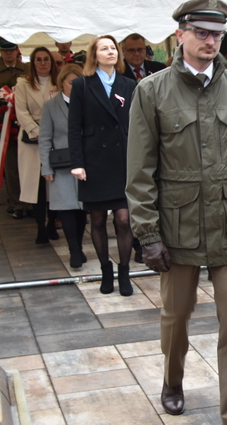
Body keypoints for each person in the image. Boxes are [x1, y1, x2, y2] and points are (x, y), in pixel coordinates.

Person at [127, 0, 227, 425]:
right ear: (181, 34)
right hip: (178, 224)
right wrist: (147, 234)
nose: (211, 42)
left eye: (218, 35)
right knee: (176, 317)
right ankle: (172, 380)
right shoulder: (152, 91)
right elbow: (140, 172)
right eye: (203, 33)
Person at [68, 35, 136, 296]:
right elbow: (74, 127)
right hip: (94, 160)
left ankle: (125, 272)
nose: (111, 52)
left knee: (122, 220)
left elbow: (136, 124)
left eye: (113, 48)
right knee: (97, 219)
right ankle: (106, 271)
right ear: (93, 55)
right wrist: (77, 162)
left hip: (121, 160)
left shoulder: (128, 84)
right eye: (104, 48)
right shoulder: (82, 85)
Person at [40, 64, 88, 268]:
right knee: (66, 209)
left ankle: (78, 246)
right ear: (61, 83)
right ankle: (74, 250)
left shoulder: (89, 102)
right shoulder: (51, 106)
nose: (75, 86)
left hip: (86, 163)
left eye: (78, 82)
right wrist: (46, 168)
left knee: (82, 210)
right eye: (71, 82)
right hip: (62, 166)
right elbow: (45, 138)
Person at [14, 47, 60, 245]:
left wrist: (50, 133)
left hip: (56, 138)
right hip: (32, 140)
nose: (43, 63)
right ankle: (40, 226)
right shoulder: (23, 84)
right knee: (37, 186)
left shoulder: (58, 83)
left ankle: (52, 224)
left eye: (46, 60)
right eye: (39, 60)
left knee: (55, 184)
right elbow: (21, 111)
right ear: (33, 62)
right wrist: (38, 132)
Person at [0, 37, 29, 217]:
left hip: (27, 124)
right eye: (4, 51)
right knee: (11, 167)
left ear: (17, 50)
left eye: (11, 50)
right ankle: (17, 203)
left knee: (29, 167)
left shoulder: (27, 69)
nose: (8, 54)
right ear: (0, 52)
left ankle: (31, 203)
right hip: (5, 125)